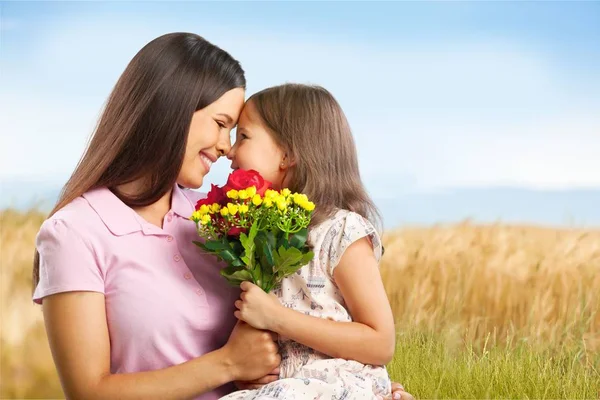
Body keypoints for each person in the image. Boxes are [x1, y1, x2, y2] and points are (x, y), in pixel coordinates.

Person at [220, 84, 408, 400]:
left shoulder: (341, 231)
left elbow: (380, 342)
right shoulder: (259, 238)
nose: (229, 150)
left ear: (288, 155)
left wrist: (278, 318)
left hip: (336, 388)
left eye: (244, 136)